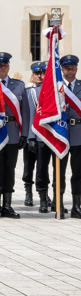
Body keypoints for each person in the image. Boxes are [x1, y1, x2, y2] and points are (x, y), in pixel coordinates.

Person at [0, 53, 29, 218]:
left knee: (10, 169)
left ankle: (7, 205)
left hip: (12, 131)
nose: (2, 67)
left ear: (9, 67)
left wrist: (24, 134)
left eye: (5, 65)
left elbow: (25, 112)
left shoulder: (18, 85)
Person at [23, 61, 48, 209]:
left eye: (42, 73)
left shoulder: (50, 91)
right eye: (37, 73)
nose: (40, 76)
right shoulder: (27, 91)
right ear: (32, 75)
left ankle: (44, 196)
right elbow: (27, 116)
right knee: (28, 166)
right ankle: (28, 192)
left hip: (44, 136)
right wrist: (28, 136)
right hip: (30, 135)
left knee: (42, 167)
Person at [60, 55, 81, 217]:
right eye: (67, 68)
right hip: (61, 133)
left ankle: (76, 206)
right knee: (59, 171)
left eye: (72, 67)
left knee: (78, 172)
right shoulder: (57, 87)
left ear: (76, 68)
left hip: (79, 133)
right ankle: (58, 204)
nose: (70, 70)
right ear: (62, 69)